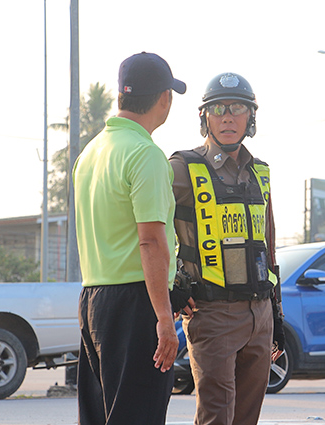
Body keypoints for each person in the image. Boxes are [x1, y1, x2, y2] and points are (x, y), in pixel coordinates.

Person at [73, 52, 193, 425]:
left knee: (101, 416)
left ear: (120, 96)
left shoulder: (90, 153)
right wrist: (163, 317)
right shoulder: (145, 154)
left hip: (93, 300)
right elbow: (151, 242)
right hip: (135, 304)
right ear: (164, 99)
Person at [170, 72, 285, 425]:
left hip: (260, 314)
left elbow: (269, 246)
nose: (228, 117)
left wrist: (276, 315)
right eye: (218, 109)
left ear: (251, 117)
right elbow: (147, 227)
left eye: (238, 109)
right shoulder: (182, 168)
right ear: (204, 117)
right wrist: (170, 283)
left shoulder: (260, 172)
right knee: (217, 416)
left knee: (247, 418)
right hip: (212, 313)